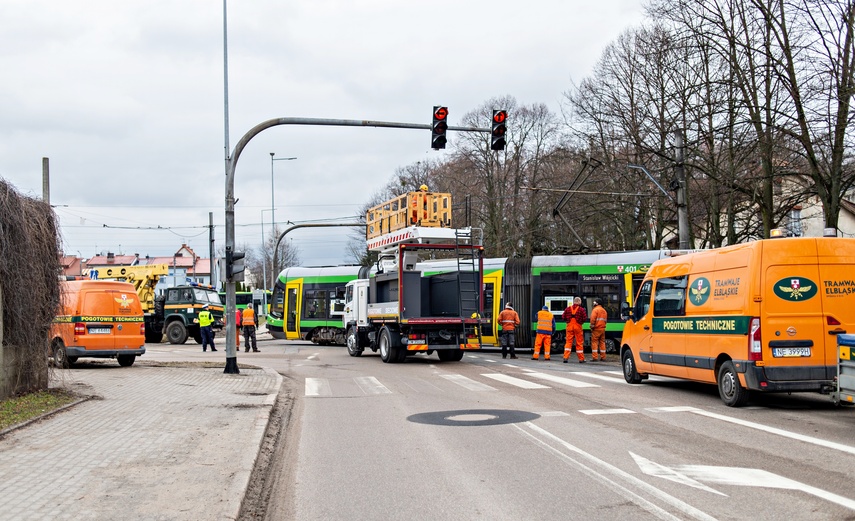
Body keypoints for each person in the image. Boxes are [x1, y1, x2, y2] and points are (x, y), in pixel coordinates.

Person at [563, 297, 588, 363]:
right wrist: (580, 322)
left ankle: (565, 357)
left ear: (574, 302)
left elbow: (563, 316)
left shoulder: (568, 308)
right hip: (578, 327)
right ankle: (581, 359)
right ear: (579, 302)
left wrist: (568, 321)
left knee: (568, 342)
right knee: (579, 342)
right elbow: (584, 318)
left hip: (569, 327)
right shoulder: (581, 309)